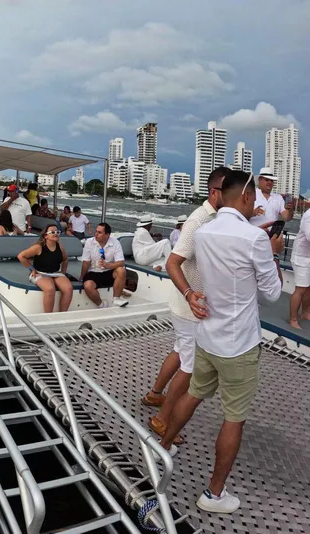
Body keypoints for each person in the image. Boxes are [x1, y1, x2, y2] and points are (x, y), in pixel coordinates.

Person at [161, 170, 284, 514]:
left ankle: (165, 445)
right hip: (239, 344)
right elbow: (272, 293)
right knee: (234, 417)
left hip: (207, 335)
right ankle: (214, 495)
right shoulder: (254, 239)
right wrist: (272, 254)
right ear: (245, 198)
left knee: (195, 393)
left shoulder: (204, 232)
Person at [141, 166, 230, 445]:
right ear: (216, 193)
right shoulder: (199, 220)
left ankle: (155, 395)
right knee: (191, 367)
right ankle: (162, 420)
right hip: (190, 307)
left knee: (180, 352)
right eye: (233, 192)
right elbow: (172, 262)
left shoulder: (217, 219)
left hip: (188, 305)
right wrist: (191, 294)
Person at [17, 224, 73, 312]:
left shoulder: (60, 247)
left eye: (57, 232)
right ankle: (48, 316)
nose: (56, 234)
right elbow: (21, 256)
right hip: (40, 272)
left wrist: (63, 272)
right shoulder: (38, 247)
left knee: (68, 289)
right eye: (52, 232)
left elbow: (65, 259)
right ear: (46, 236)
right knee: (50, 289)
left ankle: (62, 314)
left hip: (56, 273)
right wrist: (32, 269)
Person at [79, 222, 128, 308]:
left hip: (109, 271)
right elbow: (86, 262)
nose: (96, 234)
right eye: (96, 231)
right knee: (87, 286)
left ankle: (116, 299)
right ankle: (101, 304)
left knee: (121, 270)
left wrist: (109, 265)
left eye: (99, 232)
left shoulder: (115, 242)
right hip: (94, 272)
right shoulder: (89, 242)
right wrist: (82, 277)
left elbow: (121, 262)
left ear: (107, 235)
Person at [289, 205, 310, 328]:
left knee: (309, 288)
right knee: (301, 289)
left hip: (308, 256)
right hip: (301, 257)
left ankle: (306, 313)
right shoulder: (309, 215)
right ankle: (293, 319)